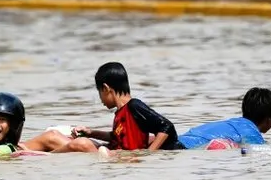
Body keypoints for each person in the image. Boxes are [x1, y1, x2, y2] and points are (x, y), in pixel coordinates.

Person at [45, 62, 179, 154]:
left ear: (106, 88)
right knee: (54, 135)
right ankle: (33, 150)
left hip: (120, 158)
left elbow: (167, 126)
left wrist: (150, 154)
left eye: (99, 92)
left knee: (80, 143)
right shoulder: (120, 112)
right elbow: (116, 137)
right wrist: (91, 133)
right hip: (113, 152)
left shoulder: (134, 106)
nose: (100, 99)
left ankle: (45, 156)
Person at [176, 88, 271, 150]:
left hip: (177, 141)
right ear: (269, 120)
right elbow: (256, 152)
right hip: (186, 148)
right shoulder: (251, 133)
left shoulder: (232, 124)